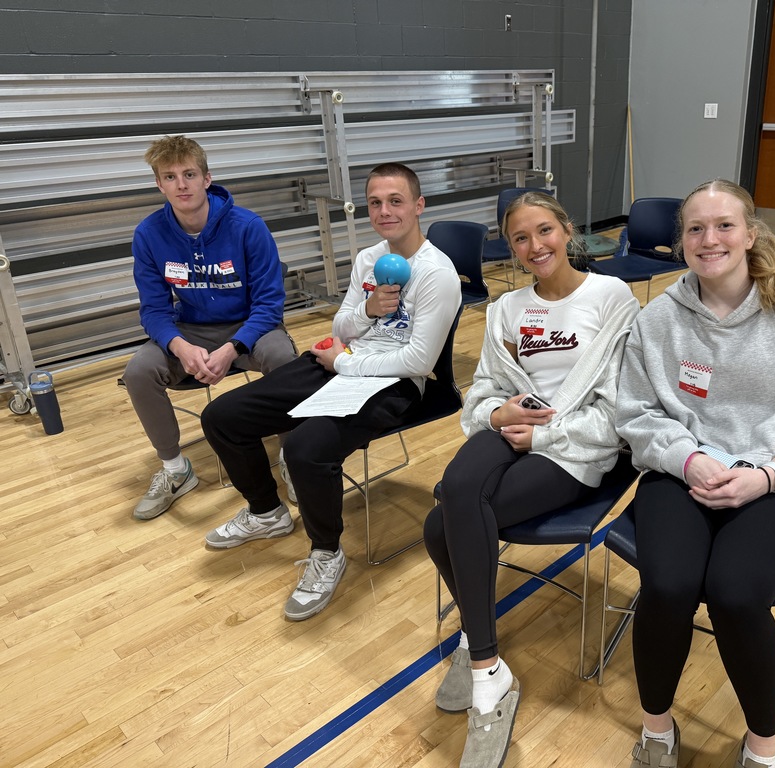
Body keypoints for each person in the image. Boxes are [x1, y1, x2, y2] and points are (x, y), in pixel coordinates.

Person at [614, 179, 775, 768]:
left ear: (751, 234)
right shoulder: (659, 321)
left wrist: (768, 475)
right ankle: (657, 729)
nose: (710, 239)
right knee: (668, 586)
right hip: (683, 471)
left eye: (724, 224)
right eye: (695, 228)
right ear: (681, 243)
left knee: (736, 592)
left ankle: (763, 748)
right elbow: (637, 412)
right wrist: (691, 460)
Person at [424, 192, 639, 768]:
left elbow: (622, 405)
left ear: (568, 230)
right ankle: (488, 666)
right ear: (512, 248)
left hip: (577, 449)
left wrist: (542, 437)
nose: (535, 246)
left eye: (544, 231)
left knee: (442, 523)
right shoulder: (507, 307)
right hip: (512, 428)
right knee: (449, 497)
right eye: (520, 238)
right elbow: (487, 389)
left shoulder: (611, 297)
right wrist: (498, 415)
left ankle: (478, 647)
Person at [201, 162, 461, 621]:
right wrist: (368, 307)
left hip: (394, 382)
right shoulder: (368, 259)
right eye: (375, 202)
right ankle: (266, 512)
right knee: (222, 416)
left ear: (418, 205)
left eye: (395, 201)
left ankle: (326, 552)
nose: (384, 211)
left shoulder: (437, 274)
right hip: (343, 362)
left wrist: (344, 361)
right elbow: (340, 324)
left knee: (305, 448)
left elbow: (419, 361)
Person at [123, 135, 296, 521]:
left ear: (206, 178)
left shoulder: (248, 227)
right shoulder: (148, 235)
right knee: (138, 371)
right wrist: (180, 347)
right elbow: (153, 311)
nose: (181, 184)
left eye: (189, 174)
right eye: (170, 177)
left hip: (251, 327)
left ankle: (292, 454)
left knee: (285, 358)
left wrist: (233, 348)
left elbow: (270, 304)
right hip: (192, 331)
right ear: (159, 184)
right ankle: (174, 470)